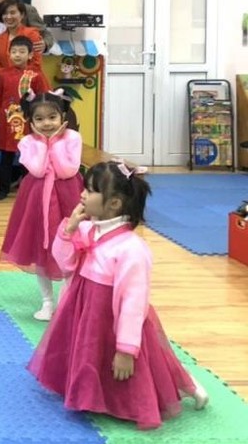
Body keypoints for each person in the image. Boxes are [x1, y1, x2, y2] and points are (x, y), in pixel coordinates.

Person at [27, 161, 209, 429]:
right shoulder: (88, 228)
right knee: (89, 354)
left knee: (143, 366)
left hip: (114, 320)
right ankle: (87, 395)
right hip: (83, 311)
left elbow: (134, 304)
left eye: (90, 190)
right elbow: (65, 264)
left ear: (113, 204)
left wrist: (125, 350)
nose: (82, 194)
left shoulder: (132, 249)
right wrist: (68, 231)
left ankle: (188, 385)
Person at [0, 91, 84, 320]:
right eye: (39, 119)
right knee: (40, 248)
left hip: (68, 196)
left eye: (52, 117)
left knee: (72, 246)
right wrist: (44, 144)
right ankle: (47, 301)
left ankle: (68, 299)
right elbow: (36, 169)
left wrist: (54, 143)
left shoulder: (73, 138)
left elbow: (68, 170)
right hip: (36, 198)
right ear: (31, 121)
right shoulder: (27, 142)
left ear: (62, 116)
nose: (46, 123)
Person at [0, 35, 51, 201]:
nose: (17, 55)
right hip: (7, 123)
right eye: (14, 51)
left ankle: (28, 189)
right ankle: (3, 189)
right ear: (9, 54)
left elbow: (44, 98)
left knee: (28, 157)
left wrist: (42, 121)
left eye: (22, 51)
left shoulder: (36, 75)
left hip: (29, 122)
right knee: (6, 157)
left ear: (30, 55)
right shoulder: (3, 75)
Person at [0, 0, 45, 84]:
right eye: (5, 13)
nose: (8, 17)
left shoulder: (32, 34)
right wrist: (9, 77)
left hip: (29, 83)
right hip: (6, 84)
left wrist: (16, 77)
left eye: (12, 13)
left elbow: (36, 64)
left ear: (22, 14)